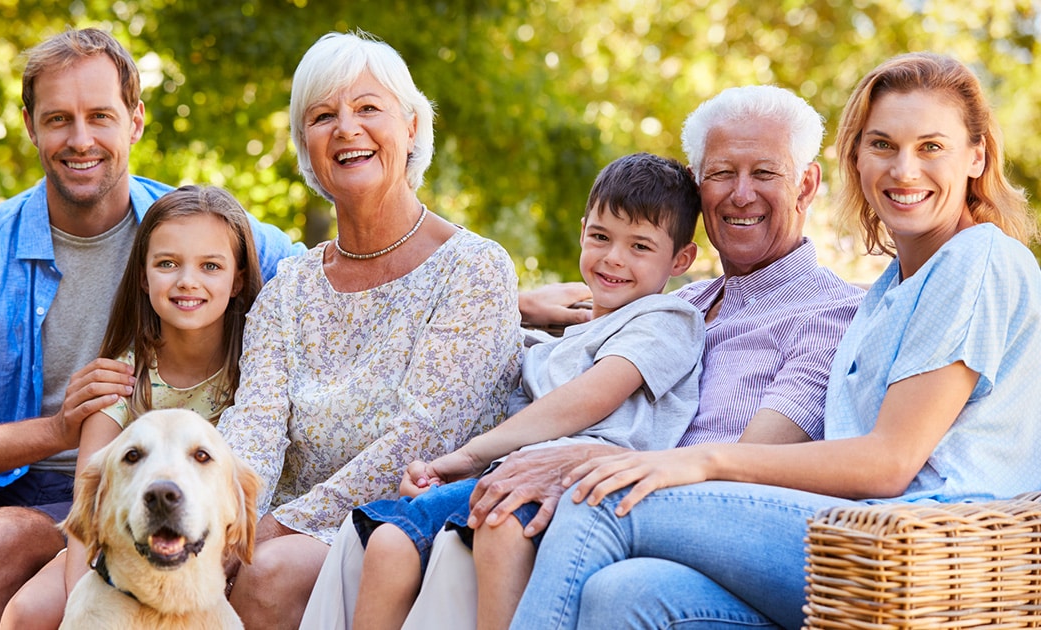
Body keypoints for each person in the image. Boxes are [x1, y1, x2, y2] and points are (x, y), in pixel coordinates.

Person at [510, 52, 1041, 630]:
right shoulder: (890, 291)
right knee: (626, 593)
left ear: (977, 155)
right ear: (857, 158)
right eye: (883, 145)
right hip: (848, 544)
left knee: (603, 501)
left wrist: (698, 462)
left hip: (922, 555)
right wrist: (522, 302)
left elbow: (890, 462)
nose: (904, 170)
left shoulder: (976, 258)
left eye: (931, 147)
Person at [310, 84, 866, 629]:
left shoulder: (830, 313)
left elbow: (749, 468)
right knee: (382, 536)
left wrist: (580, 465)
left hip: (665, 525)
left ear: (807, 183)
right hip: (572, 493)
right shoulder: (666, 299)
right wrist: (519, 309)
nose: (741, 193)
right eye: (721, 174)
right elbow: (549, 364)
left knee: (501, 531)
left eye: (764, 173)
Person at [0, 28, 304, 629]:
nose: (80, 140)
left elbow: (327, 277)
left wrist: (488, 290)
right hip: (4, 482)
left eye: (100, 116)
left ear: (136, 121)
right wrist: (56, 428)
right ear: (29, 125)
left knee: (4, 536)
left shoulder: (187, 230)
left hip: (126, 487)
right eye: (57, 120)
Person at [215, 31, 523, 629]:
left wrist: (272, 530)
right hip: (277, 525)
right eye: (323, 115)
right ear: (306, 146)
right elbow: (253, 427)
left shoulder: (474, 268)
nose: (346, 128)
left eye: (368, 109)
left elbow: (424, 437)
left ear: (411, 127)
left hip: (401, 523)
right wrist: (229, 523)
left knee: (266, 575)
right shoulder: (291, 286)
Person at [332, 152, 705, 630]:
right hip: (507, 473)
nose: (613, 257)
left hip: (585, 482)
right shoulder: (550, 347)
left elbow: (595, 396)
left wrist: (468, 457)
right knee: (387, 541)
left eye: (640, 247)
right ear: (582, 230)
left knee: (500, 525)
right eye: (600, 236)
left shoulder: (668, 319)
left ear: (681, 259)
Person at [0, 184, 264, 629]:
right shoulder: (120, 378)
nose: (187, 281)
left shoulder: (258, 366)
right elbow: (92, 500)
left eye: (210, 266)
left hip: (213, 548)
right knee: (25, 613)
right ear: (143, 275)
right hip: (131, 546)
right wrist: (86, 613)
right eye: (167, 264)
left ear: (237, 278)